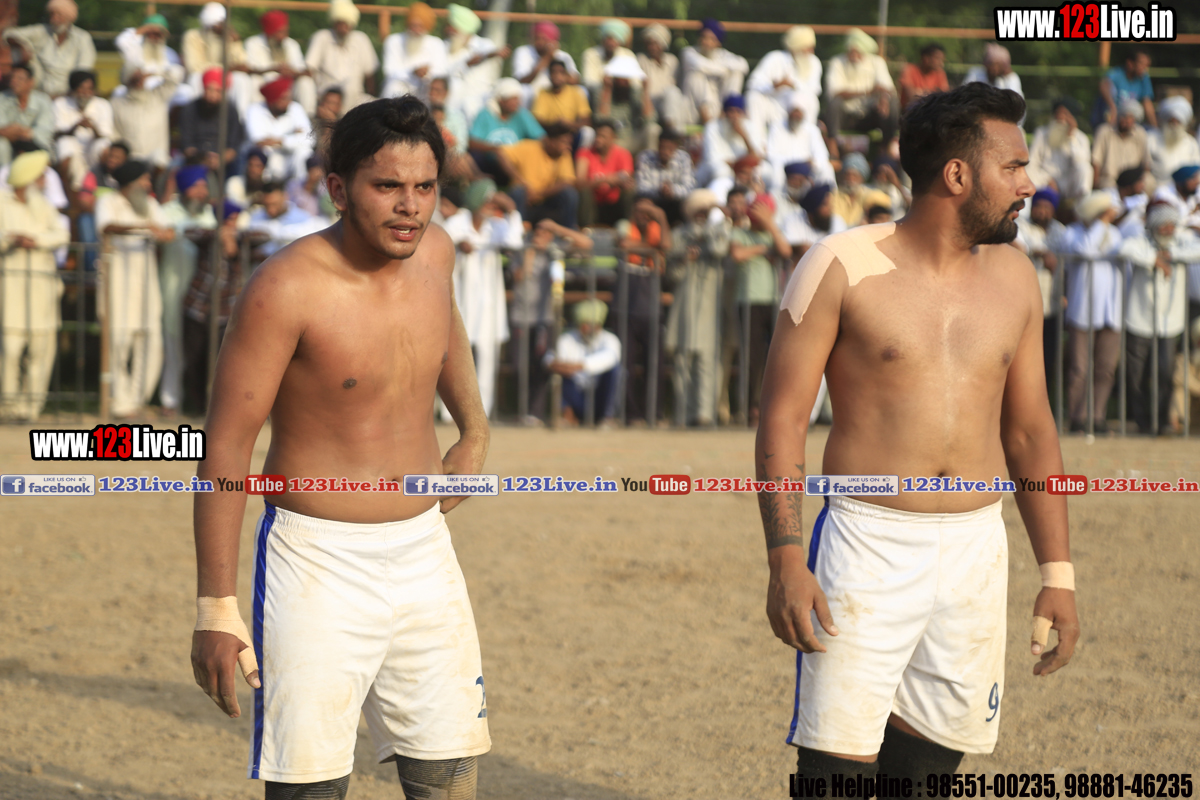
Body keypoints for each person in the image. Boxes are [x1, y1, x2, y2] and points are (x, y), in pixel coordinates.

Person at [757, 83, 1076, 782]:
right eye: (1013, 167)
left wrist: (1058, 575)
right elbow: (782, 416)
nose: (1028, 185)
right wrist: (786, 559)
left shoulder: (1018, 278)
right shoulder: (840, 265)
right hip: (866, 544)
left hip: (975, 551)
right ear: (957, 175)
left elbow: (1030, 432)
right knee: (835, 774)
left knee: (928, 773)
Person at [191, 96, 492, 799]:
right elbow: (226, 447)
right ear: (338, 187)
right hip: (315, 560)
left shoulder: (436, 251)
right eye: (387, 186)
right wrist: (215, 606)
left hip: (425, 549)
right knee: (311, 787)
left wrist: (474, 430)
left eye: (424, 187)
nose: (409, 206)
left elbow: (444, 328)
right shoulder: (284, 288)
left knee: (449, 773)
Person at [96, 159, 174, 418]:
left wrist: (163, 234)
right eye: (144, 179)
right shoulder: (108, 202)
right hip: (117, 282)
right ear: (131, 183)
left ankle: (137, 401)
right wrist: (142, 228)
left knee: (151, 341)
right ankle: (120, 403)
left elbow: (168, 231)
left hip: (146, 282)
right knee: (118, 342)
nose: (149, 184)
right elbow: (106, 226)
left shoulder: (149, 205)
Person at [1118, 201, 1200, 435]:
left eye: (1171, 225)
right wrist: (1154, 260)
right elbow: (1125, 249)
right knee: (1137, 374)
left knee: (1165, 372)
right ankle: (1142, 421)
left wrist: (1170, 255)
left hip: (1169, 322)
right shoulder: (1141, 240)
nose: (1168, 229)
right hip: (1139, 319)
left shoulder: (1180, 242)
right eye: (1163, 225)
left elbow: (1197, 250)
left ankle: (1162, 420)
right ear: (1154, 226)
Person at [443, 179, 523, 418]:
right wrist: (459, 244)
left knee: (488, 358)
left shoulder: (496, 226)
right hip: (461, 301)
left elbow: (514, 241)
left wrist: (512, 210)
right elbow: (443, 243)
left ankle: (482, 413)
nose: (492, 206)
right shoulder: (457, 223)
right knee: (457, 357)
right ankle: (449, 413)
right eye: (488, 201)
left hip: (489, 304)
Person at [0, 149, 68, 420]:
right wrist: (11, 239)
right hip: (11, 291)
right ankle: (7, 408)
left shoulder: (45, 205)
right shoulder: (2, 202)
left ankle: (30, 410)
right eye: (40, 176)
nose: (44, 181)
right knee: (9, 351)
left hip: (43, 290)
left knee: (42, 351)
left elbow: (61, 234)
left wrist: (36, 241)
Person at [509, 218, 591, 423]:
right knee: (519, 365)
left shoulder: (555, 250)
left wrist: (557, 228)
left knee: (542, 365)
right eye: (538, 232)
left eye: (546, 233)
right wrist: (530, 255)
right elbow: (517, 276)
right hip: (521, 316)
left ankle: (534, 413)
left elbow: (586, 244)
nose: (540, 236)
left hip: (545, 317)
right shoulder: (522, 248)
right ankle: (520, 408)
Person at [1062, 190, 1124, 433]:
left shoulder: (1115, 233)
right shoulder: (1072, 233)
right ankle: (1077, 417)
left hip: (1110, 311)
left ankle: (1097, 417)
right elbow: (1086, 249)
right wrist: (1101, 224)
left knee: (1105, 369)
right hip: (1083, 311)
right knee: (1079, 369)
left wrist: (1105, 225)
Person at [666, 188, 728, 426]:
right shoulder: (679, 234)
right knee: (682, 359)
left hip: (710, 307)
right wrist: (684, 259)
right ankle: (683, 414)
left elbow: (719, 250)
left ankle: (704, 414)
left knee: (707, 361)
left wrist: (710, 230)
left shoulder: (718, 231)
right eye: (698, 210)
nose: (701, 214)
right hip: (684, 306)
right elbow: (672, 274)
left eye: (706, 210)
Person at [159, 165, 217, 416]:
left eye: (204, 186)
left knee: (200, 345)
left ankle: (201, 402)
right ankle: (170, 400)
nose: (202, 191)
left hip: (203, 291)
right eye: (196, 186)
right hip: (174, 287)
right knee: (173, 341)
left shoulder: (210, 214)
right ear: (184, 189)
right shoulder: (166, 213)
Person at [729, 187, 790, 424]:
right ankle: (749, 407)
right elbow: (737, 254)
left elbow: (785, 250)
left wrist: (770, 225)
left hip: (773, 301)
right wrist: (762, 249)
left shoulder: (773, 234)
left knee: (775, 356)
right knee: (751, 357)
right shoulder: (740, 233)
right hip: (748, 301)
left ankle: (771, 406)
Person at [1015, 187, 1068, 391]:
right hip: (1027, 306)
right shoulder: (1021, 225)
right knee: (1025, 358)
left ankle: (1045, 398)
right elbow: (1018, 245)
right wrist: (1041, 253)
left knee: (1049, 356)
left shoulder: (1060, 230)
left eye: (1047, 207)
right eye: (1038, 206)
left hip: (1052, 304)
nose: (1042, 211)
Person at [546, 298, 621, 425]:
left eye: (589, 323)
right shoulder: (567, 339)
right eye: (583, 323)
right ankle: (568, 416)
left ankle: (607, 417)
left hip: (600, 396)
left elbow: (610, 358)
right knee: (559, 374)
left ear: (598, 324)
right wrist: (559, 366)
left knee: (617, 372)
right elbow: (549, 359)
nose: (585, 327)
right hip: (577, 396)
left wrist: (578, 366)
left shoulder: (610, 339)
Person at [2, 0, 95, 99]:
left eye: (59, 15)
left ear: (69, 17)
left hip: (69, 97)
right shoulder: (42, 31)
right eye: (52, 14)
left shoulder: (82, 38)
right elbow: (9, 33)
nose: (54, 19)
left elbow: (82, 72)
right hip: (39, 94)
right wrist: (22, 47)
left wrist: (67, 95)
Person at [746, 26, 822, 144]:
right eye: (808, 48)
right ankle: (758, 145)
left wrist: (793, 85)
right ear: (796, 48)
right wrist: (773, 87)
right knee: (753, 97)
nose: (811, 52)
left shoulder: (814, 62)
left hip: (798, 109)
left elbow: (815, 89)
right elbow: (753, 83)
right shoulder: (775, 58)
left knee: (812, 100)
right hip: (774, 106)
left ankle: (803, 143)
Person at [823, 29, 898, 144]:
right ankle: (832, 144)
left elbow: (887, 87)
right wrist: (867, 92)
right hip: (847, 115)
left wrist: (884, 98)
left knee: (891, 101)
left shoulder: (877, 62)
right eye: (851, 51)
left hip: (871, 114)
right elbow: (835, 92)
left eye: (857, 52)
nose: (853, 55)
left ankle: (888, 145)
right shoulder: (837, 62)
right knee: (835, 103)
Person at [498, 122, 578, 228]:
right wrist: (520, 180)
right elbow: (501, 154)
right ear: (551, 141)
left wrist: (539, 194)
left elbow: (567, 181)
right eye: (564, 142)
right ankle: (517, 230)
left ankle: (568, 230)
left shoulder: (564, 154)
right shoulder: (529, 146)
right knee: (518, 192)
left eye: (569, 143)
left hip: (545, 201)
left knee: (569, 193)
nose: (568, 147)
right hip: (523, 200)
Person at [306, 0, 379, 111]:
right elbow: (310, 69)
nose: (342, 28)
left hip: (355, 97)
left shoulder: (362, 39)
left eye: (346, 23)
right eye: (339, 23)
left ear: (352, 24)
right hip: (326, 95)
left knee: (376, 105)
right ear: (334, 22)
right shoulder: (321, 37)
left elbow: (370, 74)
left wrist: (372, 92)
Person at [442, 3, 509, 125]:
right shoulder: (445, 46)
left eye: (452, 27)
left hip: (480, 102)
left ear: (461, 27)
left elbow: (487, 56)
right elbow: (447, 73)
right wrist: (467, 64)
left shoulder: (485, 45)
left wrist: (486, 56)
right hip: (452, 105)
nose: (448, 30)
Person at [468, 78, 544, 180]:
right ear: (501, 100)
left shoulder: (521, 114)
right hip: (490, 162)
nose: (517, 102)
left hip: (516, 161)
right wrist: (495, 149)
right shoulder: (485, 114)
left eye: (518, 99)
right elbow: (472, 142)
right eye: (513, 99)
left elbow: (540, 137)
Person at [181, 2, 251, 113]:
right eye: (214, 25)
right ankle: (197, 115)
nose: (217, 28)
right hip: (205, 76)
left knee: (242, 79)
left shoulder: (228, 36)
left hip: (225, 77)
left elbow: (241, 63)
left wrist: (235, 41)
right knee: (195, 78)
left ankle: (240, 118)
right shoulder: (192, 36)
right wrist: (227, 68)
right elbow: (194, 67)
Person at [245, 10, 316, 115]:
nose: (284, 36)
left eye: (285, 31)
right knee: (253, 80)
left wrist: (290, 71)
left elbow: (301, 68)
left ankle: (309, 116)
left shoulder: (291, 44)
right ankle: (253, 115)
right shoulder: (253, 43)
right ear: (270, 32)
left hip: (287, 83)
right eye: (280, 32)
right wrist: (274, 69)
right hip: (266, 83)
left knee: (305, 82)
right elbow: (251, 68)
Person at [680, 18, 748, 124]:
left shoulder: (722, 54)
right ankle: (708, 122)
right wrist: (724, 70)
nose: (706, 42)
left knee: (736, 74)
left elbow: (744, 65)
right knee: (695, 75)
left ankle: (728, 113)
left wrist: (718, 69)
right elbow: (699, 65)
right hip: (694, 110)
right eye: (704, 37)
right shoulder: (689, 52)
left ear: (718, 43)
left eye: (711, 39)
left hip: (718, 109)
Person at [246, 76, 313, 183]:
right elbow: (258, 141)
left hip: (289, 158)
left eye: (288, 97)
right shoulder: (255, 109)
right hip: (267, 161)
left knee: (304, 152)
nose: (288, 102)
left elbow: (310, 139)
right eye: (283, 98)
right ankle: (263, 189)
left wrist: (281, 141)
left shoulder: (295, 108)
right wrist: (293, 135)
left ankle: (298, 188)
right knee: (261, 153)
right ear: (272, 100)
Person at [53, 69, 112, 191]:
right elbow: (57, 133)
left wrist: (93, 128)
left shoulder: (103, 104)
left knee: (103, 146)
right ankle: (68, 191)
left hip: (92, 148)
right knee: (65, 144)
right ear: (73, 89)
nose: (85, 93)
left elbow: (105, 135)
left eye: (89, 89)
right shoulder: (61, 103)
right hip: (72, 146)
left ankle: (102, 185)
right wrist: (75, 127)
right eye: (81, 88)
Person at [1026, 98, 1093, 205]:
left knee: (1085, 168)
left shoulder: (1081, 138)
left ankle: (1081, 205)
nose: (1061, 117)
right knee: (1027, 170)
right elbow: (1032, 162)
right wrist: (1047, 179)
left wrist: (1071, 137)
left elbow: (1080, 163)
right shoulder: (1042, 133)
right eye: (1058, 113)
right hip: (1044, 181)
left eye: (1065, 114)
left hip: (1068, 184)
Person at [179, 68, 245, 173]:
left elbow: (233, 146)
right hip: (196, 161)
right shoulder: (190, 109)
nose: (213, 95)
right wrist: (202, 160)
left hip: (224, 163)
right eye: (209, 90)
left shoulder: (230, 111)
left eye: (218, 91)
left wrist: (220, 160)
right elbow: (187, 145)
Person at [111, 64, 176, 169]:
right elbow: (114, 135)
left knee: (159, 158)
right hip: (131, 160)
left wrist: (153, 73)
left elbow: (177, 73)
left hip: (156, 161)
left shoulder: (158, 96)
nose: (139, 80)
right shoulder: (116, 104)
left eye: (140, 76)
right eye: (134, 77)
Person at [766, 91, 834, 191]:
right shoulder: (777, 127)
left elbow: (822, 154)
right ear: (788, 112)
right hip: (784, 167)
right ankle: (777, 198)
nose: (796, 115)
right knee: (776, 171)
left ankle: (831, 197)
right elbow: (771, 154)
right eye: (794, 111)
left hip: (808, 168)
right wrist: (797, 162)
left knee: (827, 169)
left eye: (799, 112)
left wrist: (814, 163)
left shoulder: (812, 129)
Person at [113, 14, 187, 105]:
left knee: (185, 91)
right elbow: (121, 41)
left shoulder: (170, 53)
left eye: (158, 34)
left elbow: (176, 76)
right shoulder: (135, 50)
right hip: (140, 90)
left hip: (164, 91)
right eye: (151, 33)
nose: (155, 37)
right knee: (119, 91)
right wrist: (146, 28)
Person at [700, 94, 762, 198]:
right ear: (724, 112)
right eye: (731, 111)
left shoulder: (750, 127)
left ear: (743, 113)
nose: (734, 116)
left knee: (764, 172)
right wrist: (737, 166)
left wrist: (744, 136)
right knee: (721, 172)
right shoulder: (712, 127)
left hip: (744, 170)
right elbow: (712, 159)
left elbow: (756, 158)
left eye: (738, 112)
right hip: (720, 170)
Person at [382, 2, 445, 102]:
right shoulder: (394, 41)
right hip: (400, 89)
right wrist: (412, 72)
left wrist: (426, 73)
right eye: (413, 25)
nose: (416, 30)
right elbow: (389, 71)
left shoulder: (436, 43)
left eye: (420, 26)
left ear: (427, 26)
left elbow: (441, 72)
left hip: (425, 89)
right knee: (392, 86)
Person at [577, 118, 634, 227]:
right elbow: (580, 183)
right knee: (583, 191)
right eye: (597, 135)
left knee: (630, 189)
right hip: (593, 203)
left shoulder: (623, 154)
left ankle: (628, 226)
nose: (598, 139)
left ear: (613, 138)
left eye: (603, 136)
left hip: (614, 201)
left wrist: (615, 180)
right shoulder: (584, 153)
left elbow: (626, 178)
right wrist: (605, 180)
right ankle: (585, 227)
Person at [248, 181, 326, 257]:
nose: (270, 210)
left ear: (285, 197)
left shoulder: (303, 218)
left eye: (274, 204)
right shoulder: (255, 217)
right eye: (266, 205)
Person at [635, 127, 693, 226]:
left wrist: (672, 191)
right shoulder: (645, 158)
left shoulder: (684, 159)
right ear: (657, 145)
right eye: (662, 147)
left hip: (676, 203)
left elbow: (689, 187)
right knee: (642, 203)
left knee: (688, 202)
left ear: (675, 147)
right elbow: (640, 187)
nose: (665, 152)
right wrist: (659, 190)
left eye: (669, 148)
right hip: (653, 201)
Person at [512, 21, 578, 108]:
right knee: (525, 91)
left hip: (557, 91)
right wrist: (546, 58)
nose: (539, 42)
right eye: (537, 38)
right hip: (534, 89)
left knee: (581, 91)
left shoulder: (563, 56)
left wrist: (555, 60)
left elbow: (574, 81)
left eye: (544, 39)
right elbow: (522, 80)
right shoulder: (523, 51)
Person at [0, 63, 54, 166]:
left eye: (20, 79)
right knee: (1, 145)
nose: (14, 81)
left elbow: (45, 131)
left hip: (33, 144)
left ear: (30, 82)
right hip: (9, 143)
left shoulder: (43, 100)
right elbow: (2, 129)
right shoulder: (2, 99)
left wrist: (23, 131)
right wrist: (13, 132)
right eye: (12, 78)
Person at [637, 24, 686, 134]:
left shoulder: (672, 61)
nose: (652, 47)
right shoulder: (642, 60)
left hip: (669, 104)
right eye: (649, 44)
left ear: (663, 44)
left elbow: (679, 85)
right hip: (649, 103)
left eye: (656, 43)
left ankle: (673, 131)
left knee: (672, 93)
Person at [1092, 98, 1149, 191]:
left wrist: (1139, 182)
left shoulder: (1140, 134)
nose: (1125, 120)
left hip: (1132, 182)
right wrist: (1095, 186)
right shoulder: (1104, 131)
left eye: (1129, 118)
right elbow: (1096, 162)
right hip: (1109, 180)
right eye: (1123, 116)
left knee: (1150, 182)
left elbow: (1146, 163)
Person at [1095, 48, 1156, 129]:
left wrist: (1155, 127)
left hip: (1130, 123)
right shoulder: (1117, 73)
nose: (1145, 69)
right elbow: (1104, 84)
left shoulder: (1144, 77)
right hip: (1112, 119)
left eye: (1147, 65)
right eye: (1141, 64)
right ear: (1130, 63)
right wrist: (1112, 107)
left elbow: (1147, 102)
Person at [582, 19, 638, 106]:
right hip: (600, 94)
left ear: (619, 41)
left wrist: (620, 82)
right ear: (603, 40)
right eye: (608, 39)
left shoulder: (628, 55)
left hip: (623, 94)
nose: (611, 43)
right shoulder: (591, 54)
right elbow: (588, 81)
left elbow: (636, 82)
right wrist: (606, 83)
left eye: (614, 40)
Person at [1148, 96, 1199, 188]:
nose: (1174, 126)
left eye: (1178, 122)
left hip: (1184, 189)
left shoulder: (1191, 142)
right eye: (1171, 122)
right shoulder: (1152, 139)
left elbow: (1196, 168)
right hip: (1158, 186)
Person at [831, 152, 891, 228]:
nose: (850, 179)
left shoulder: (866, 194)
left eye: (855, 176)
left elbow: (887, 201)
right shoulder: (834, 195)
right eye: (847, 175)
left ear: (862, 178)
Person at [531, 59, 591, 132]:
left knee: (587, 131)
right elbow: (538, 121)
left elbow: (586, 120)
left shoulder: (576, 92)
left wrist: (569, 125)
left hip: (572, 132)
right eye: (553, 72)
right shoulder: (544, 93)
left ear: (566, 75)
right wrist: (556, 125)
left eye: (561, 72)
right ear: (549, 75)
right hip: (551, 132)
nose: (557, 76)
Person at [898, 43, 948, 110]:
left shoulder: (940, 73)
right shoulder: (909, 70)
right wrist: (932, 94)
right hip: (911, 112)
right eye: (937, 58)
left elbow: (944, 98)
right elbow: (911, 96)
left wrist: (920, 93)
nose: (941, 63)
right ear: (926, 58)